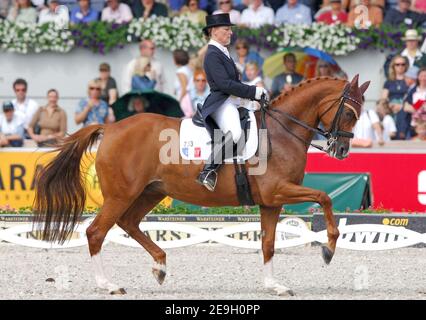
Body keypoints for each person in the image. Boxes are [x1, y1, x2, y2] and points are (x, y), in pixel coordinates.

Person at [196, 13, 269, 191]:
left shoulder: (222, 51)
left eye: (230, 30)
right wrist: (254, 91)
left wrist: (253, 94)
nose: (230, 33)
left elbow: (234, 83)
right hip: (221, 102)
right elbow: (224, 84)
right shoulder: (212, 54)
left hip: (232, 100)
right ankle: (208, 170)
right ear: (213, 31)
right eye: (226, 29)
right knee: (235, 133)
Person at [173, 49, 194, 117]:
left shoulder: (180, 71)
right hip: (189, 97)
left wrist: (179, 101)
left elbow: (184, 88)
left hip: (184, 99)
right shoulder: (188, 69)